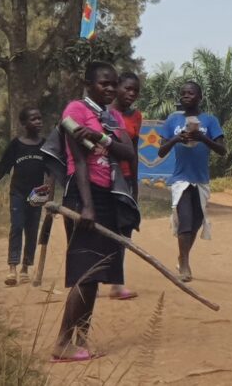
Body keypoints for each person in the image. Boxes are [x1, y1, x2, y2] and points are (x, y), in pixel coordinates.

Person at [52, 61, 136, 363]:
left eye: (114, 83)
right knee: (84, 272)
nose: (111, 88)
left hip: (107, 195)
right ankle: (63, 342)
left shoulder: (112, 116)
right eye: (104, 83)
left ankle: (81, 338)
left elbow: (128, 152)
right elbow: (79, 162)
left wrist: (100, 136)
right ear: (88, 84)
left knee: (97, 271)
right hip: (83, 195)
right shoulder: (75, 110)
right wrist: (86, 206)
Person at [157, 80, 226, 282]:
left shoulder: (210, 121)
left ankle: (182, 256)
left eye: (191, 93)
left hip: (201, 180)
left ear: (200, 97)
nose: (186, 96)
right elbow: (161, 151)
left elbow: (222, 150)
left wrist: (202, 138)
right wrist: (176, 138)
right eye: (183, 93)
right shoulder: (173, 120)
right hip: (181, 178)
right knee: (185, 219)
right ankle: (185, 265)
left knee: (196, 221)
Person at [0, 106, 48, 286]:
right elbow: (3, 170)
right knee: (17, 227)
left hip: (36, 196)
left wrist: (48, 193)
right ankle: (12, 268)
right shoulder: (16, 145)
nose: (38, 122)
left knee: (32, 230)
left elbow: (51, 171)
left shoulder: (45, 145)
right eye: (33, 119)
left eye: (39, 118)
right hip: (18, 192)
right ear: (24, 123)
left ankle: (25, 267)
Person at [108, 71, 142, 300]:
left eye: (135, 91)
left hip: (126, 179)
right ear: (117, 87)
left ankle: (117, 283)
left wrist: (135, 187)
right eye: (127, 88)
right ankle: (91, 279)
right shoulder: (104, 113)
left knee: (124, 230)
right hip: (105, 177)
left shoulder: (136, 116)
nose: (131, 94)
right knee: (103, 229)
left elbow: (134, 152)